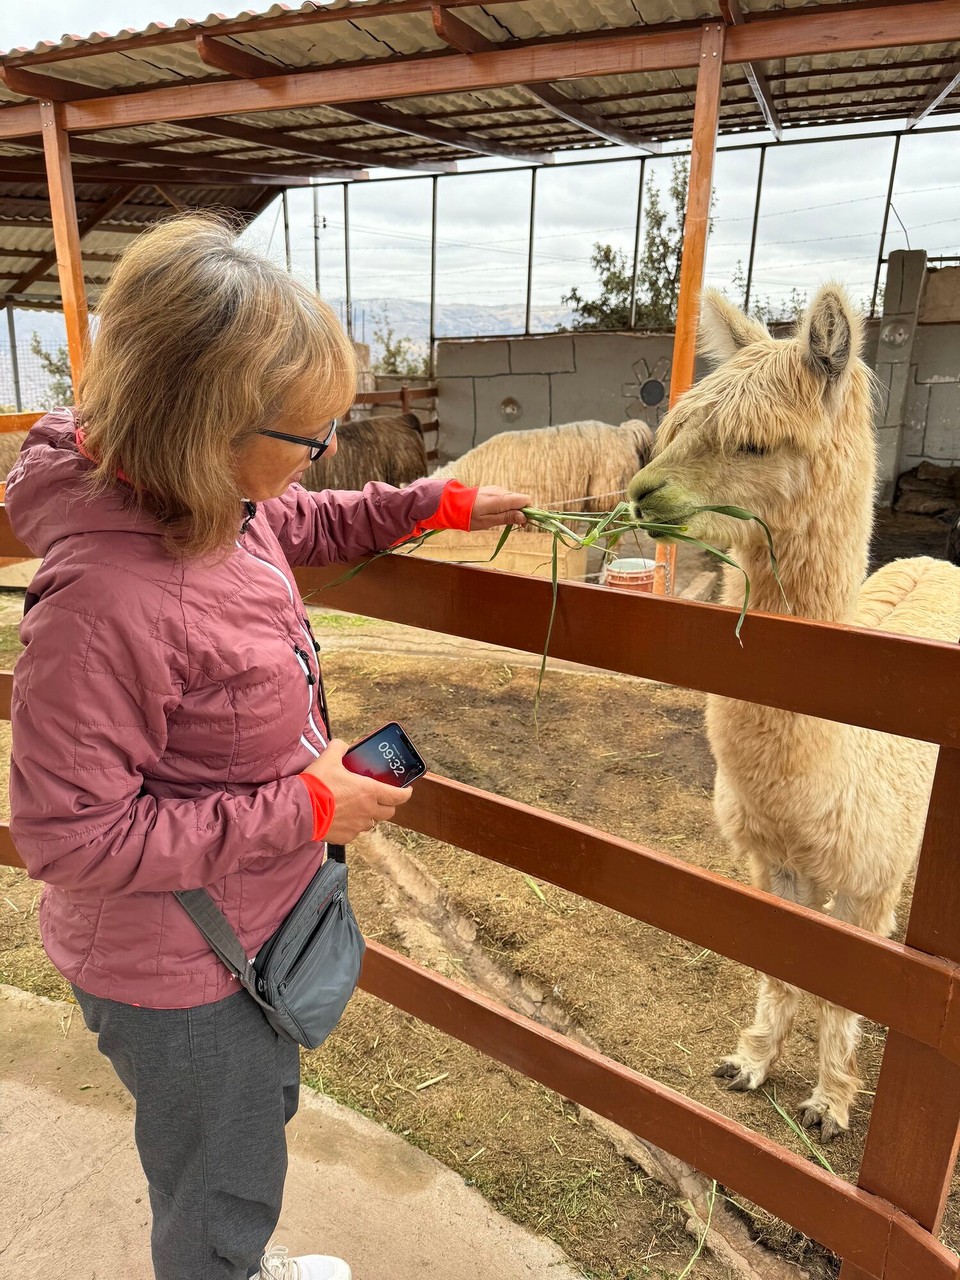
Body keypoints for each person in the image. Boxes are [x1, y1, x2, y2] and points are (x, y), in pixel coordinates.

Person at [6, 214, 530, 1280]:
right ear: (208, 423)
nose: (322, 452)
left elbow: (307, 521)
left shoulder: (209, 502)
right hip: (180, 969)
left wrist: (434, 504)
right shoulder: (104, 599)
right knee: (216, 1176)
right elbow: (67, 838)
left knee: (238, 1139)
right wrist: (309, 808)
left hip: (237, 929)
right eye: (308, 434)